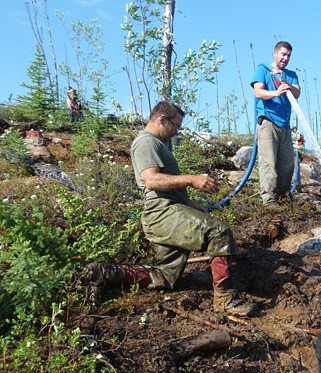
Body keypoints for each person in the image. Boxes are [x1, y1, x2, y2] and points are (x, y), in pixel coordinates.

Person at [85, 101, 257, 318]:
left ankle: (107, 274)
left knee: (164, 275)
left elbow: (168, 187)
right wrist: (192, 179)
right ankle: (225, 300)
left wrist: (193, 206)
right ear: (162, 120)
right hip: (162, 213)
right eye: (176, 125)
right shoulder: (146, 143)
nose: (177, 131)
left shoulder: (161, 143)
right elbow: (151, 180)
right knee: (219, 232)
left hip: (169, 209)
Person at [250, 41, 302, 206]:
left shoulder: (291, 75)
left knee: (287, 164)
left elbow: (297, 92)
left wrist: (287, 84)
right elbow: (258, 92)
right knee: (269, 163)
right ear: (275, 53)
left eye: (289, 56)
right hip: (268, 121)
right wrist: (276, 92)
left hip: (285, 125)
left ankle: (284, 197)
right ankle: (269, 200)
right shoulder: (263, 70)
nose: (286, 58)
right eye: (283, 54)